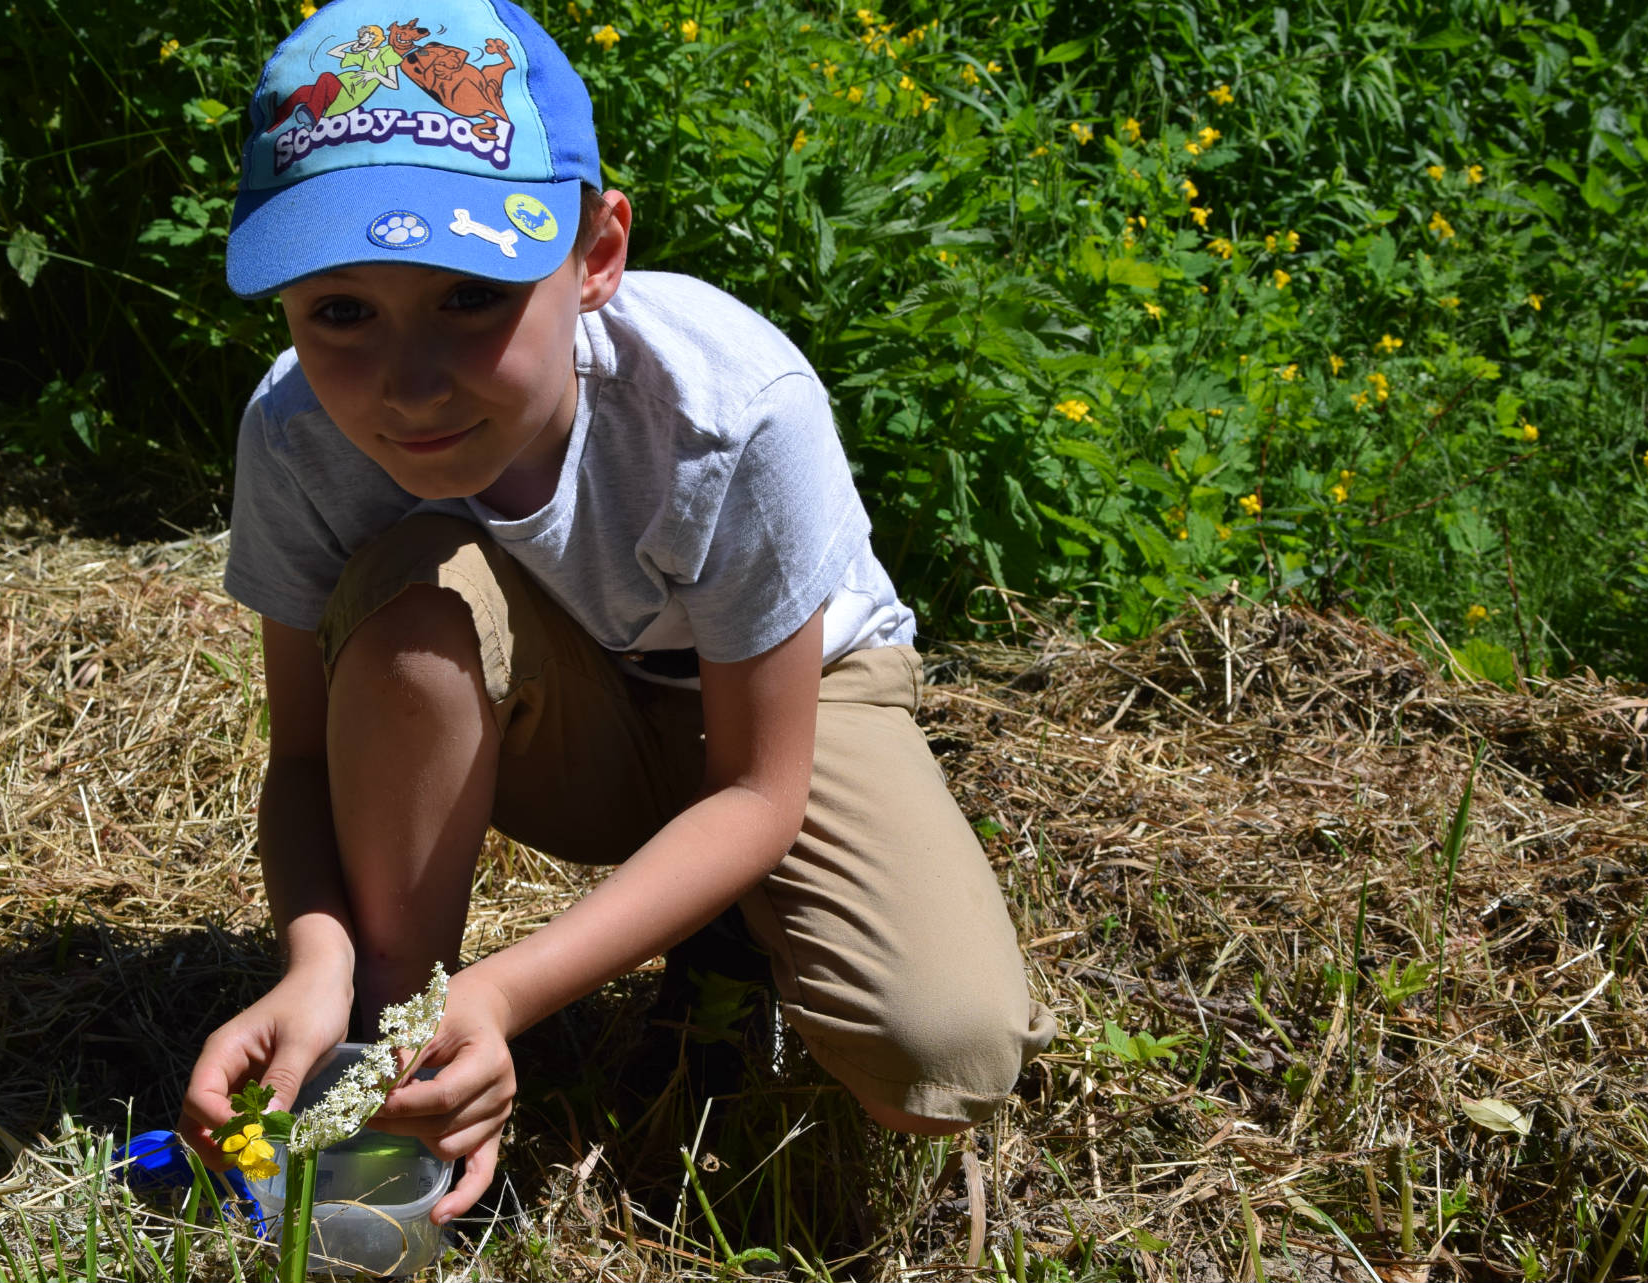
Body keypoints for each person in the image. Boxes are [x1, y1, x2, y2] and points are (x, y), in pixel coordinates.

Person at [179, 0, 1056, 1226]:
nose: (409, 381)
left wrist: (512, 989)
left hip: (777, 712)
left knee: (941, 1054)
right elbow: (306, 753)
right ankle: (392, 1053)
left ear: (594, 254)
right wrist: (315, 957)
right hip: (554, 709)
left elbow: (760, 786)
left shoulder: (730, 408)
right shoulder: (295, 431)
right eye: (341, 312)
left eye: (472, 296)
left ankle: (726, 938)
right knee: (418, 597)